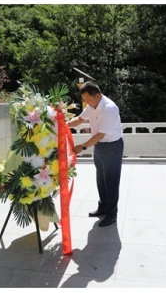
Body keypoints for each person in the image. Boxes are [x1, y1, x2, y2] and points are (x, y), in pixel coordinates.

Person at [69, 81, 124, 227]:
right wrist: (64, 125)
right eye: (85, 100)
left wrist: (83, 147)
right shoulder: (92, 105)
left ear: (98, 95)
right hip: (99, 146)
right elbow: (80, 119)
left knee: (111, 181)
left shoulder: (109, 109)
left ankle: (111, 214)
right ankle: (103, 207)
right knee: (101, 179)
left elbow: (100, 134)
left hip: (112, 146)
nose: (87, 103)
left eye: (89, 99)